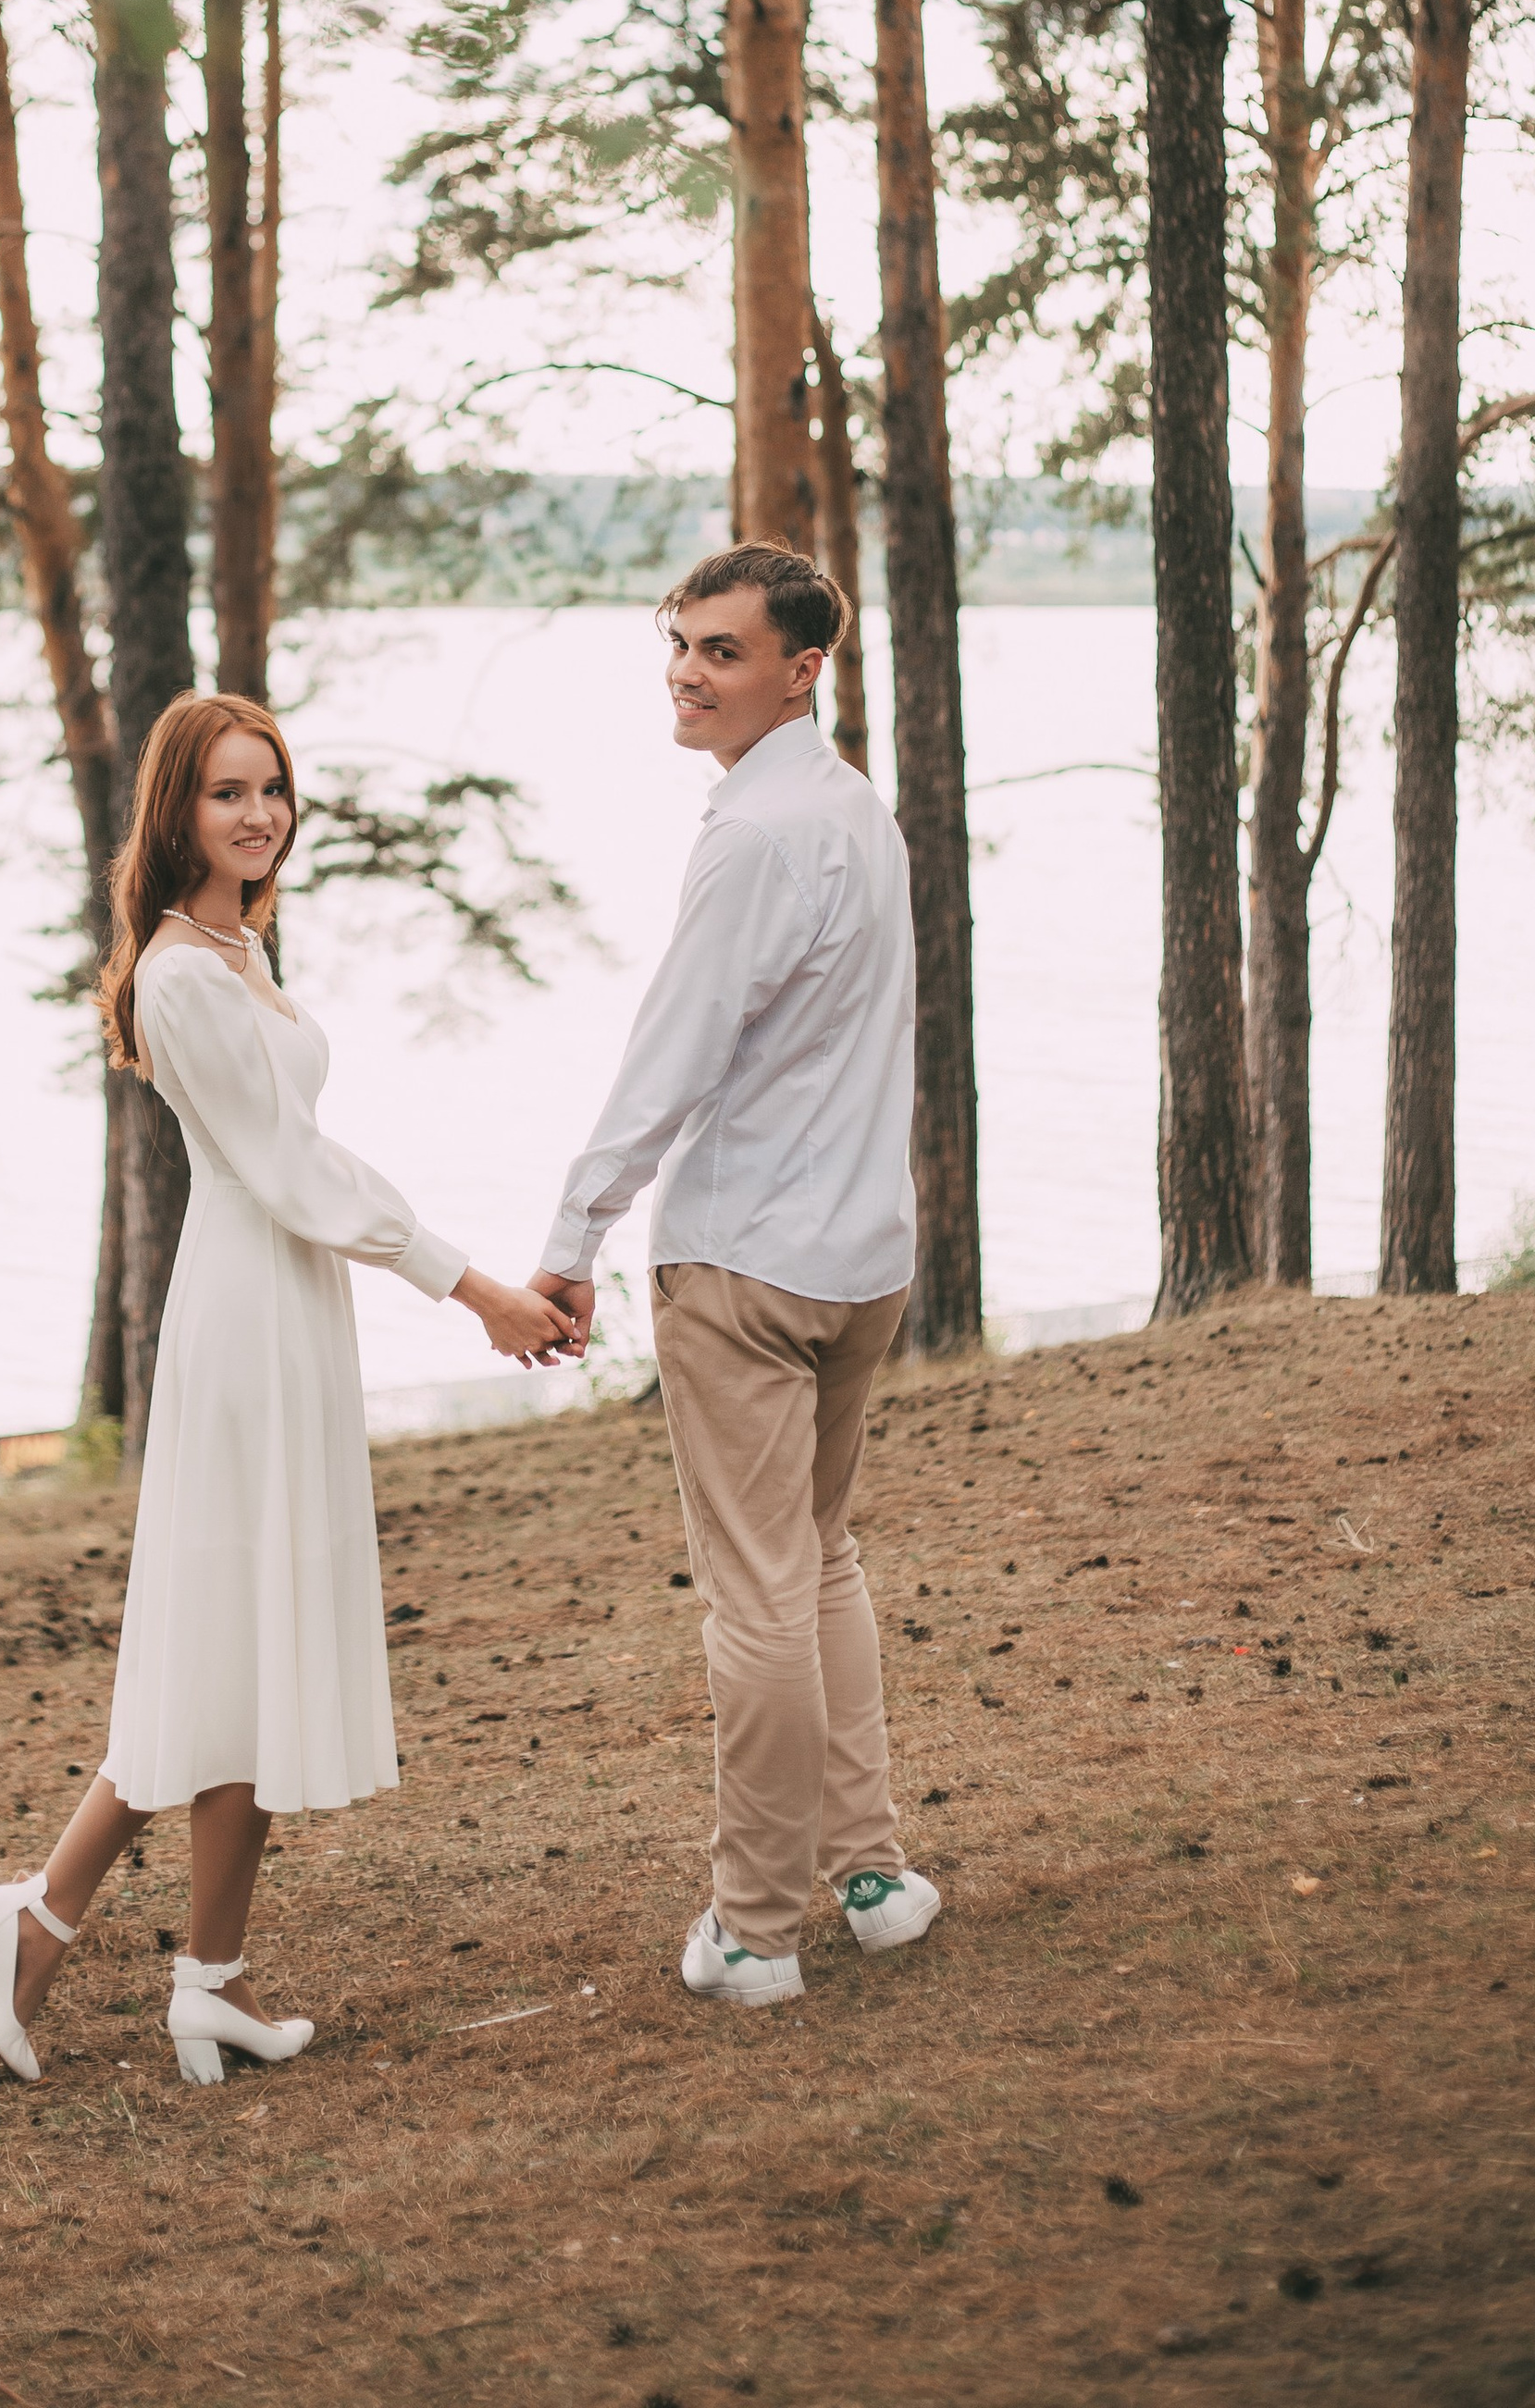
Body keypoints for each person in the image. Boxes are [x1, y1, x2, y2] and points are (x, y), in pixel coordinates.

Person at [0, 690, 574, 2089]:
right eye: (230, 791)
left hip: (290, 1306)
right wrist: (478, 1291)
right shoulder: (179, 975)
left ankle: (175, 1973)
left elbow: (303, 1169)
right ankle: (40, 1923)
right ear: (179, 809)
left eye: (273, 788)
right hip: (245, 1318)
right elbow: (301, 1172)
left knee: (245, 1657)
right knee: (220, 1650)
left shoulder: (236, 947)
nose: (260, 813)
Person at [529, 544, 941, 2005]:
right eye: (681, 645)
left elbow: (672, 1055)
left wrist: (572, 1238)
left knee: (758, 1594)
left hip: (748, 1267)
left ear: (802, 667)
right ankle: (874, 1873)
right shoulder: (855, 815)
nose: (688, 673)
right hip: (859, 1260)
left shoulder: (757, 836)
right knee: (818, 1558)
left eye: (719, 649)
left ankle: (758, 1927)